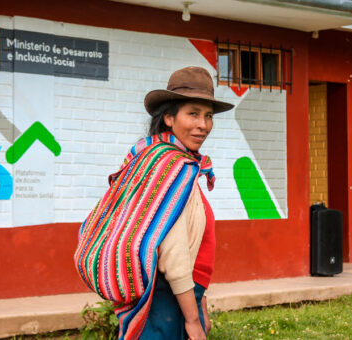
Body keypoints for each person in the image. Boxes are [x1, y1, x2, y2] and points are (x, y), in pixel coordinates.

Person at [74, 66, 234, 340]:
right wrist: (192, 320)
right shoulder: (171, 168)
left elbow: (191, 243)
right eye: (193, 113)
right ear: (169, 118)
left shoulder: (163, 161)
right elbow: (174, 254)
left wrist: (200, 302)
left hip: (180, 295)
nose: (203, 125)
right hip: (167, 297)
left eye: (208, 116)